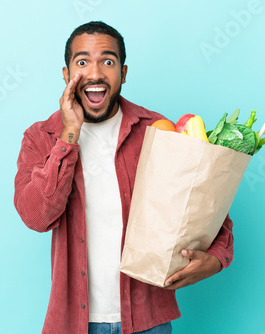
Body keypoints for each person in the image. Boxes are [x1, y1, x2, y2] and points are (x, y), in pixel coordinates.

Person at [14, 21, 234, 334]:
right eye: (82, 62)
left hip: (148, 321)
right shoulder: (42, 137)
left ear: (123, 73)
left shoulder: (158, 130)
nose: (94, 74)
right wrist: (69, 135)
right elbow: (36, 216)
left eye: (107, 61)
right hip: (75, 323)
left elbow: (206, 206)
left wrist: (217, 257)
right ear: (66, 75)